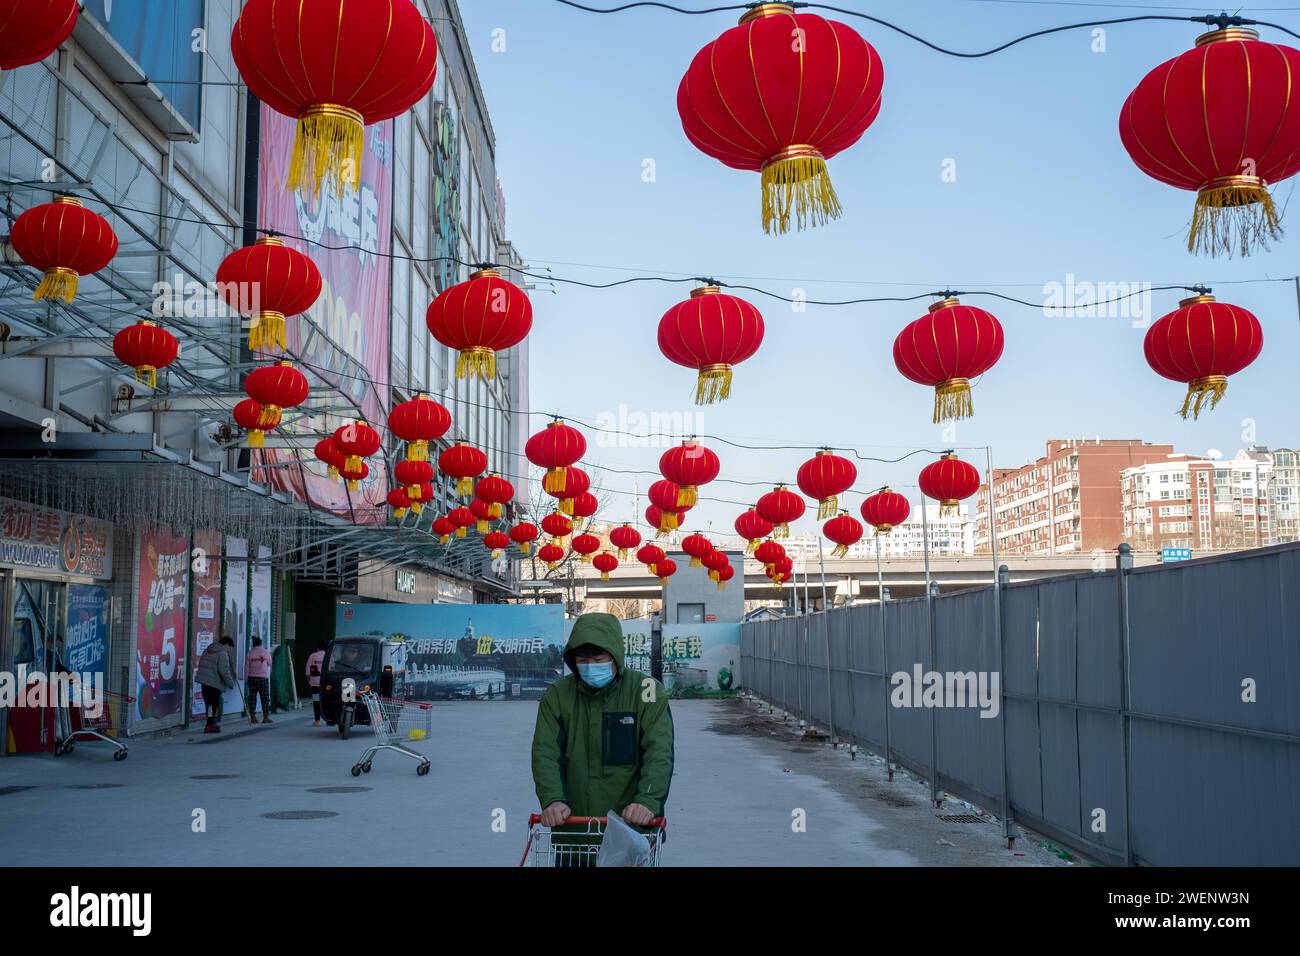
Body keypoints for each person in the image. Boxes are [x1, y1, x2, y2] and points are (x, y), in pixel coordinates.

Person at [531, 612, 674, 863]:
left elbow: (658, 752)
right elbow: (545, 752)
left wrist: (647, 801)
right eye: (582, 660)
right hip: (574, 832)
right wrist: (552, 800)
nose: (590, 665)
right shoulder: (558, 695)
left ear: (616, 654)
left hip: (630, 831)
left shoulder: (646, 692)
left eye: (598, 658)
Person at [195, 639, 235, 733]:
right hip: (214, 683)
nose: (228, 650)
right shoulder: (222, 653)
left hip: (205, 682)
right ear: (226, 644)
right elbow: (224, 671)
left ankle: (209, 724)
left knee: (209, 705)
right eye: (229, 647)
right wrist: (231, 683)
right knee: (214, 705)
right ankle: (211, 724)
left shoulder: (207, 650)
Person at [246, 636, 273, 724]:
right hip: (262, 678)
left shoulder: (250, 653)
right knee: (265, 697)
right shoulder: (265, 652)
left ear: (253, 644)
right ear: (261, 643)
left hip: (251, 677)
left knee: (252, 697)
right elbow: (270, 663)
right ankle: (265, 717)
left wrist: (247, 678)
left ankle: (253, 717)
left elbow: (247, 667)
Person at [305, 640, 327, 726]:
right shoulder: (329, 656)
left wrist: (310, 681)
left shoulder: (312, 656)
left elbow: (308, 671)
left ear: (318, 648)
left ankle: (317, 721)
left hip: (314, 683)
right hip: (325, 683)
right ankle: (328, 719)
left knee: (316, 701)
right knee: (325, 701)